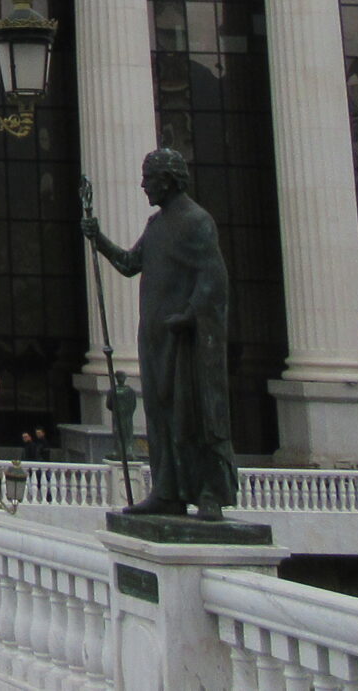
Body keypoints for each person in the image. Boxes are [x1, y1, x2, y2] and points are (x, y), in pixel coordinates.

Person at [82, 147, 238, 519]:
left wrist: (189, 315)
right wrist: (98, 238)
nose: (143, 185)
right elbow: (129, 263)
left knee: (192, 413)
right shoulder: (157, 225)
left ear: (167, 181)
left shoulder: (197, 222)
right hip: (155, 337)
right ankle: (167, 491)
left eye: (148, 178)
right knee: (160, 412)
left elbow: (214, 280)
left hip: (186, 338)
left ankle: (210, 492)